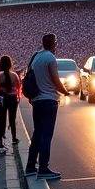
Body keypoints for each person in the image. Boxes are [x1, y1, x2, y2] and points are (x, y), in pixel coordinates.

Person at [25, 34, 70, 180]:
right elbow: (55, 80)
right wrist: (65, 92)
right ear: (54, 44)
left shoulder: (36, 56)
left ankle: (30, 166)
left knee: (38, 133)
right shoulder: (50, 58)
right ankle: (43, 168)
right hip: (48, 99)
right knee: (46, 134)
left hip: (37, 99)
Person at [0, 55, 19, 155]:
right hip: (12, 98)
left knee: (2, 119)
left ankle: (0, 138)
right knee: (12, 119)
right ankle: (14, 138)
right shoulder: (14, 75)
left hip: (2, 98)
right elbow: (18, 86)